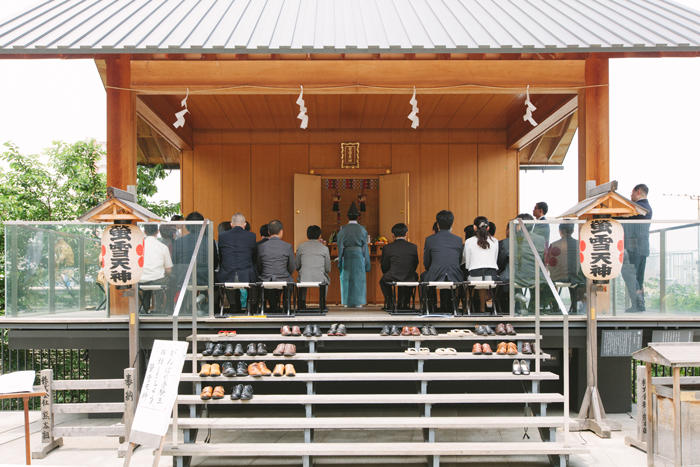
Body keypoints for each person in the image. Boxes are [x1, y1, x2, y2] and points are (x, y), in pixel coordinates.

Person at [423, 210, 463, 312]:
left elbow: (426, 262)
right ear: (452, 223)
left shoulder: (430, 240)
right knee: (451, 274)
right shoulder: (458, 240)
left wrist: (431, 268)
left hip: (435, 274)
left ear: (437, 223)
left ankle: (431, 307)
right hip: (455, 275)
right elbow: (459, 260)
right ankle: (453, 307)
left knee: (424, 276)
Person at [217, 213, 257, 312]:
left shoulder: (222, 236)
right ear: (244, 224)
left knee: (228, 277)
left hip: (227, 274)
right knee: (255, 276)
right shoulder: (251, 236)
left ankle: (234, 306)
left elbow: (221, 256)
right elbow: (254, 256)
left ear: (231, 224)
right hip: (246, 274)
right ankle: (251, 308)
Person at [622, 183, 653, 312]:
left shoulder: (638, 207)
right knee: (638, 277)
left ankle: (638, 303)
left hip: (634, 248)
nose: (631, 195)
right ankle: (640, 305)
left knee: (629, 275)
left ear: (638, 191)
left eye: (632, 193)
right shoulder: (647, 207)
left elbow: (626, 218)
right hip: (643, 248)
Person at [336, 202, 371, 308]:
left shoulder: (343, 230)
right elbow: (365, 248)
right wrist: (367, 263)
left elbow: (340, 247)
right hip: (359, 256)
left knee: (346, 279)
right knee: (359, 279)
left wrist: (340, 262)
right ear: (358, 217)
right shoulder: (362, 229)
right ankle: (359, 302)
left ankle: (346, 302)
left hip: (347, 255)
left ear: (347, 216)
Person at [546, 223, 585, 313]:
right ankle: (574, 306)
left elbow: (548, 262)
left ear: (560, 231)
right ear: (573, 231)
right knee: (575, 281)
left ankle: (555, 306)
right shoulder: (579, 245)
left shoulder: (554, 245)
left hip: (558, 277)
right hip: (577, 278)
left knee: (548, 282)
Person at [257, 220, 295, 312]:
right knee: (289, 280)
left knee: (264, 281)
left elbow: (259, 266)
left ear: (269, 232)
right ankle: (287, 308)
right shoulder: (287, 246)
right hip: (283, 278)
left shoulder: (261, 246)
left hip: (266, 279)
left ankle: (269, 307)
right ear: (281, 231)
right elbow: (291, 267)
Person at [463, 216, 499, 313]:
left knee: (470, 278)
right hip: (492, 278)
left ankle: (467, 307)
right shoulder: (495, 241)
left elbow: (467, 263)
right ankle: (482, 308)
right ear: (488, 228)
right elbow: (494, 260)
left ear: (474, 227)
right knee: (483, 281)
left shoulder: (469, 242)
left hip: (474, 277)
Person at [379, 223, 419, 310]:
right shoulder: (413, 247)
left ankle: (390, 302)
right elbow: (415, 263)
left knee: (383, 280)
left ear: (393, 235)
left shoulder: (387, 247)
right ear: (406, 234)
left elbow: (384, 266)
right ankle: (405, 303)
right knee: (413, 276)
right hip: (409, 275)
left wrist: (388, 272)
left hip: (393, 275)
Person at [295, 225, 331, 309]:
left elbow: (297, 265)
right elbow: (328, 268)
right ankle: (322, 303)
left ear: (307, 235)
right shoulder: (324, 248)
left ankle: (301, 303)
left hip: (304, 278)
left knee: (302, 277)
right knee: (325, 279)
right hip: (320, 278)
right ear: (319, 235)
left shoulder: (301, 247)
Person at [140, 224, 173, 313]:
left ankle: (144, 307)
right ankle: (161, 308)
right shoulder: (163, 247)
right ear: (157, 232)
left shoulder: (139, 247)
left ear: (144, 232)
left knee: (147, 282)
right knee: (166, 280)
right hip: (158, 280)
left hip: (141, 280)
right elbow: (168, 269)